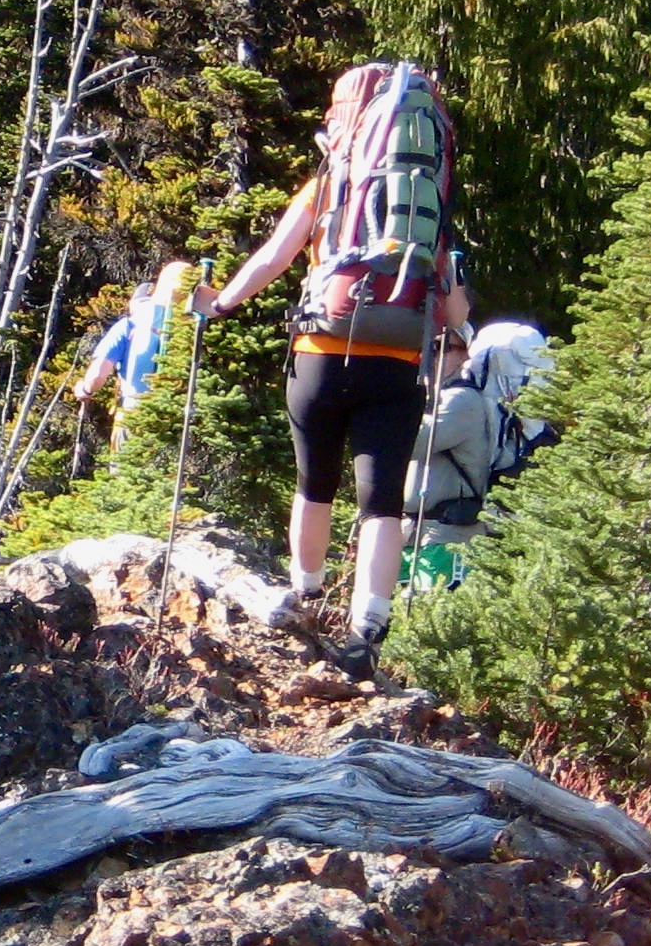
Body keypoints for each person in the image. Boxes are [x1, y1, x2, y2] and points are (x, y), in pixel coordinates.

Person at [196, 64, 469, 678]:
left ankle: (307, 596)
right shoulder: (426, 202)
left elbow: (275, 255)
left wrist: (221, 303)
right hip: (396, 366)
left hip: (320, 354)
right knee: (382, 506)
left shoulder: (330, 188)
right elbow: (452, 307)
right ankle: (366, 629)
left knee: (314, 484)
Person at [406, 321, 552, 588]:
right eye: (428, 347)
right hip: (420, 537)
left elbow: (406, 443)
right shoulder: (443, 398)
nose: (431, 356)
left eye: (442, 347)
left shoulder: (460, 401)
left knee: (430, 619)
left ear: (466, 355)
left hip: (442, 541)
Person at [75, 259, 202, 416]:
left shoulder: (127, 326)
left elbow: (97, 375)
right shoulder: (196, 326)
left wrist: (85, 389)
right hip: (180, 419)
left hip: (134, 414)